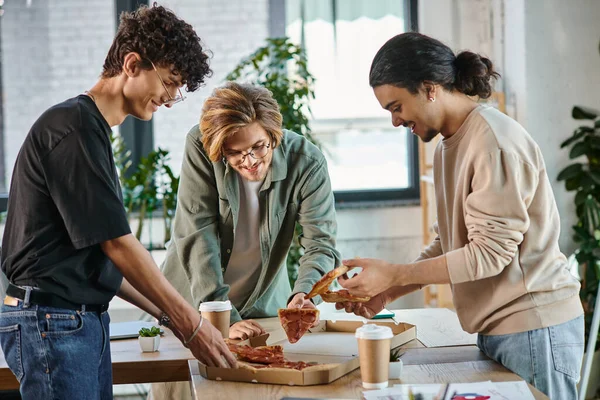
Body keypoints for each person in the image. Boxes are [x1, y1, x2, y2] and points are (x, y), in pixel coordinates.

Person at [0, 5, 236, 399]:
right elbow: (119, 245)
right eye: (169, 81)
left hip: (74, 319)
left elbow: (102, 259)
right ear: (131, 63)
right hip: (51, 320)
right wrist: (192, 326)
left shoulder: (90, 131)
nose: (171, 96)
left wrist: (173, 320)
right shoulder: (73, 129)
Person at [337, 32, 584, 399]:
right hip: (503, 329)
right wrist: (389, 291)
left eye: (396, 106)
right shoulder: (447, 147)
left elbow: (489, 254)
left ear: (429, 88)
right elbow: (449, 242)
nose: (395, 121)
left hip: (534, 328)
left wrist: (398, 272)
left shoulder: (491, 142)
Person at [147, 81, 340, 399]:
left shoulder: (306, 161)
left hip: (263, 309)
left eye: (258, 147)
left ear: (273, 134)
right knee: (185, 391)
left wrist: (304, 295)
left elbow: (321, 243)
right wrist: (224, 318)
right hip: (192, 306)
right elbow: (197, 235)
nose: (249, 161)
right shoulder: (201, 144)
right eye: (233, 153)